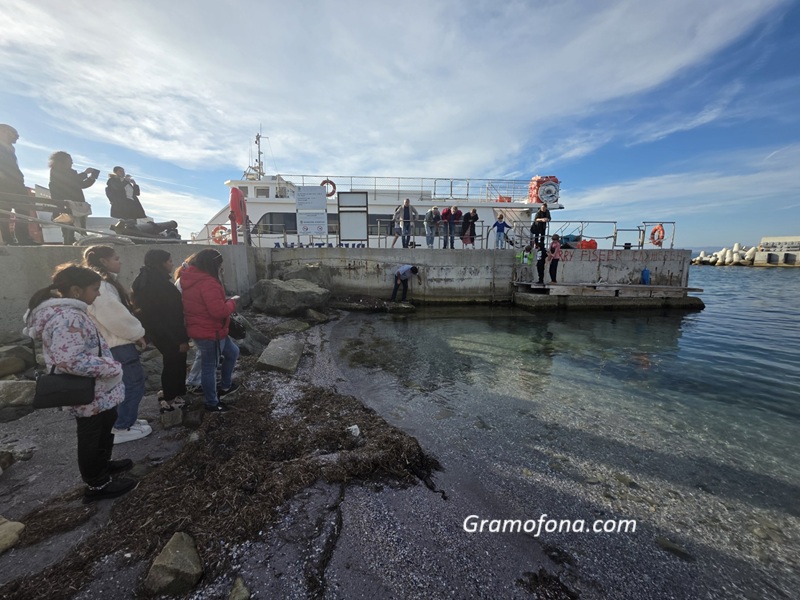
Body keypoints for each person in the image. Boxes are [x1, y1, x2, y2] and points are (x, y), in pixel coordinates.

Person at [23, 264, 136, 503]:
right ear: (76, 290)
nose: (97, 294)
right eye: (94, 289)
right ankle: (97, 484)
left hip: (97, 389)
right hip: (88, 390)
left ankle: (103, 466)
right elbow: (69, 360)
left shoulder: (71, 313)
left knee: (104, 428)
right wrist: (112, 367)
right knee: (91, 436)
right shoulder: (67, 317)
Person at [82, 245, 151, 443]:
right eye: (116, 258)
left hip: (112, 343)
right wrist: (137, 333)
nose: (120, 261)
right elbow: (115, 316)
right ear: (104, 261)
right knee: (132, 384)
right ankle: (122, 426)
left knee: (123, 384)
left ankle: (127, 420)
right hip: (117, 344)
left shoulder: (102, 284)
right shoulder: (102, 286)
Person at [179, 249, 240, 412]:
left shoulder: (190, 277)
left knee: (233, 352)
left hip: (207, 329)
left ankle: (225, 386)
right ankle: (212, 402)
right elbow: (218, 311)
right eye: (220, 264)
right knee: (209, 368)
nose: (221, 268)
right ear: (214, 264)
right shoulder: (208, 282)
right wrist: (232, 303)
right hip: (210, 332)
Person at [131, 249, 190, 413]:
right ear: (162, 263)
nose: (172, 264)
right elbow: (172, 315)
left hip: (156, 331)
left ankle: (171, 393)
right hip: (169, 332)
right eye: (170, 261)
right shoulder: (161, 285)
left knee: (171, 362)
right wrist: (182, 339)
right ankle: (172, 398)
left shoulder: (144, 280)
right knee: (175, 363)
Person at [48, 151, 99, 245]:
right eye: (70, 160)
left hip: (76, 202)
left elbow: (81, 184)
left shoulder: (71, 173)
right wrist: (85, 173)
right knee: (67, 222)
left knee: (78, 222)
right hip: (65, 201)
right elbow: (71, 180)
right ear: (62, 161)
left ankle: (78, 239)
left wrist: (92, 178)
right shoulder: (56, 171)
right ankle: (68, 240)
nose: (72, 163)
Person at [0, 124, 35, 245]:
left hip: (17, 185)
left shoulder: (10, 149)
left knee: (23, 212)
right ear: (4, 132)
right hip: (4, 186)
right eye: (14, 133)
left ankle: (23, 238)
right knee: (4, 212)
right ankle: (8, 239)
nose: (17, 137)